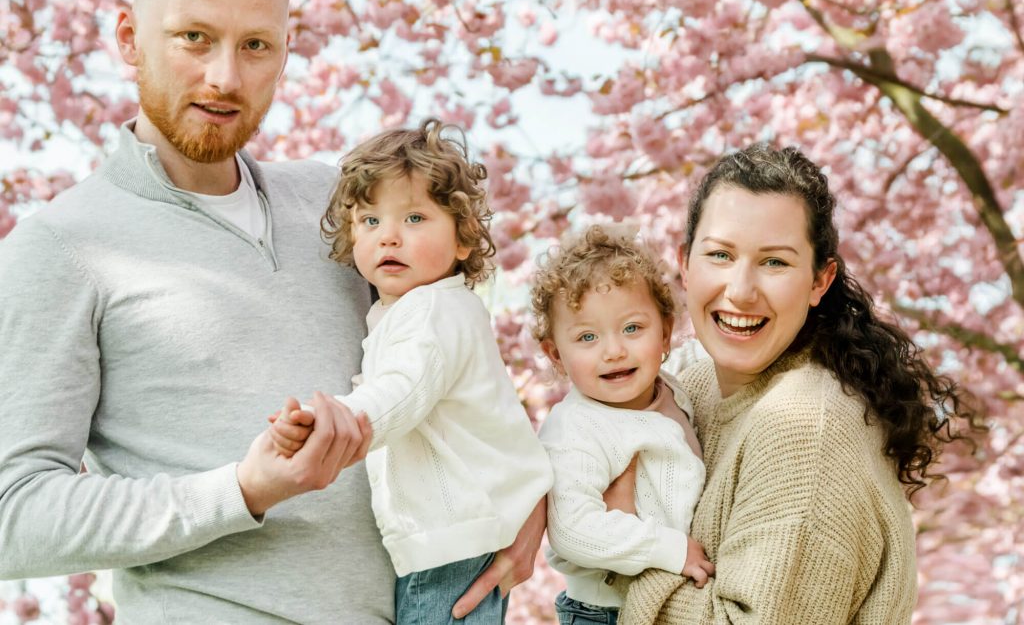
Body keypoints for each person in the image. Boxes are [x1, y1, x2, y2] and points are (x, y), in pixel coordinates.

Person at [0, 0, 543, 621]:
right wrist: (242, 490)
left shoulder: (339, 205)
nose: (225, 77)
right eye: (194, 37)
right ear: (129, 39)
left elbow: (449, 359)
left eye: (256, 45)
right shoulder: (60, 248)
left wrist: (527, 501)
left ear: (286, 53)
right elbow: (11, 516)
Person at [607, 143, 975, 624]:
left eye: (774, 262)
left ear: (820, 281)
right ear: (685, 263)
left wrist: (623, 548)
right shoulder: (686, 385)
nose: (740, 291)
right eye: (720, 255)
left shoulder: (805, 425)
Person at [268, 119, 553, 623]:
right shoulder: (407, 311)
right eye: (370, 221)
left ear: (463, 240)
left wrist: (334, 421)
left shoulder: (432, 311)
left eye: (415, 218)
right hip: (462, 539)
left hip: (449, 548)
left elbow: (402, 390)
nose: (389, 237)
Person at [529, 225, 714, 625]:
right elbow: (572, 529)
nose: (614, 351)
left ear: (665, 333)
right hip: (604, 610)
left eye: (632, 328)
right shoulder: (576, 427)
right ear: (556, 354)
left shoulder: (672, 389)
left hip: (666, 600)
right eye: (587, 337)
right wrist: (670, 549)